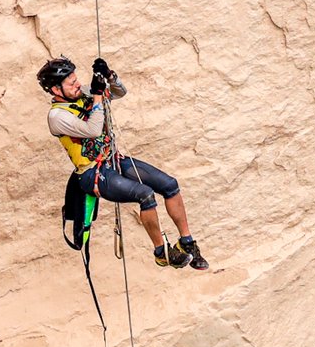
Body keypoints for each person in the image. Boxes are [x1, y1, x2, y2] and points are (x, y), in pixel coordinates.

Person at [38, 55, 209, 271]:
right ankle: (161, 253)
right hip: (92, 172)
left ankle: (187, 242)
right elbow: (93, 129)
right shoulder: (57, 116)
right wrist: (97, 95)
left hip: (113, 160)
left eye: (76, 79)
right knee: (145, 194)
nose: (77, 84)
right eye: (71, 83)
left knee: (169, 184)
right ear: (56, 90)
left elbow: (119, 92)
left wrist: (109, 76)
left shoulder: (83, 93)